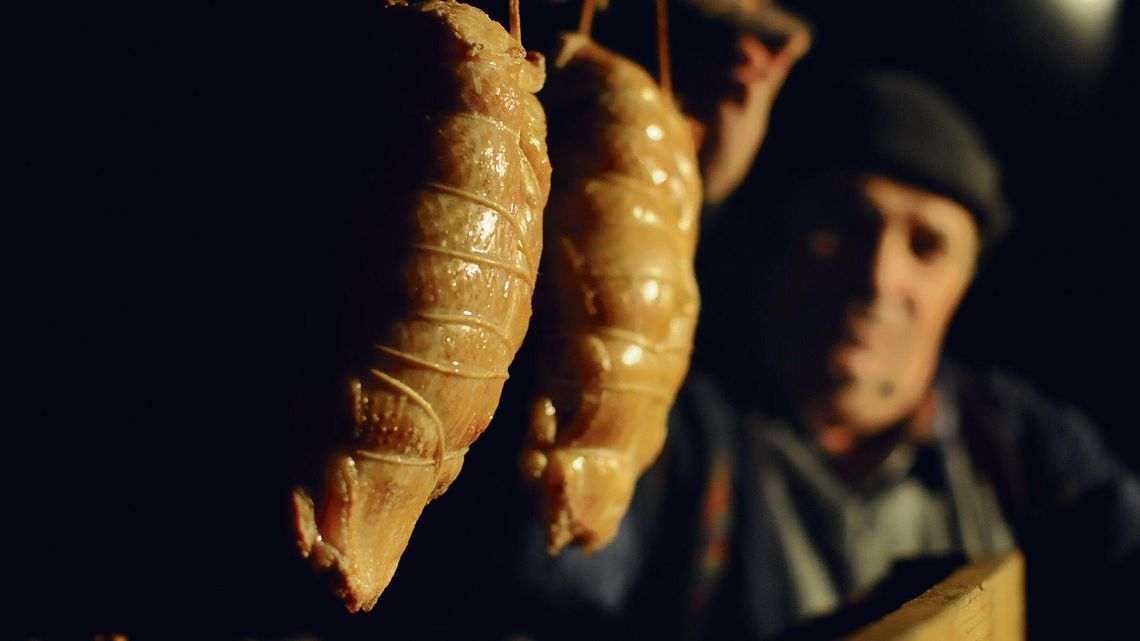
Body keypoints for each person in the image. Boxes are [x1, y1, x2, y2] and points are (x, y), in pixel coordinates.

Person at [486, 4, 1140, 641]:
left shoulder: (1022, 449)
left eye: (926, 245)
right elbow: (541, 567)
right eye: (849, 224)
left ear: (966, 281)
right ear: (788, 234)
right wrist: (671, 207)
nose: (879, 278)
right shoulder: (688, 444)